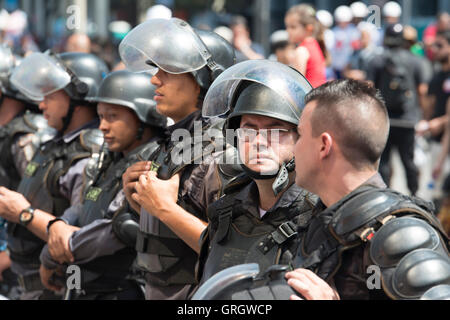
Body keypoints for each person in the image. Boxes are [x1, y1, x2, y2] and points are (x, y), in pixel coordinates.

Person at [201, 80, 450, 300]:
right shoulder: (323, 222)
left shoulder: (401, 234)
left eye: (299, 135)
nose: (294, 148)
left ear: (323, 146)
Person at [118, 17, 237, 300]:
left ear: (204, 80)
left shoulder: (223, 150)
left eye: (169, 70)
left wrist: (162, 207)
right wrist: (138, 201)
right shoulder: (175, 139)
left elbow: (231, 252)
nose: (154, 78)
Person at [38, 70, 167, 300]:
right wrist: (60, 224)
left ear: (144, 117)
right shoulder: (111, 157)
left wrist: (57, 249)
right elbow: (85, 203)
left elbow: (117, 229)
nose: (103, 126)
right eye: (101, 116)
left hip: (123, 289)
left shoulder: (152, 163)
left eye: (113, 116)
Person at [195, 60, 317, 288]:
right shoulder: (224, 212)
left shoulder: (320, 217)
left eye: (276, 130)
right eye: (249, 129)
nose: (259, 141)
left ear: (301, 139)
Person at [0, 51, 108, 300]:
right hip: (27, 283)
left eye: (50, 95)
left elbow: (79, 233)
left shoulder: (89, 154)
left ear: (76, 98)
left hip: (58, 287)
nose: (41, 104)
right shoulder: (55, 144)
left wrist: (23, 214)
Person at [368, 24, 428, 196]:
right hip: (407, 119)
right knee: (408, 160)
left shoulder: (377, 60)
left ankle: (385, 196)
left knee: (384, 161)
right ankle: (414, 195)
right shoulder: (415, 61)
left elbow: (370, 88)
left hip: (384, 119)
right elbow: (422, 91)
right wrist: (422, 115)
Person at [285, 4, 327, 88]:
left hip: (309, 99)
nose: (288, 31)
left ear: (309, 28)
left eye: (293, 27)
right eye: (287, 27)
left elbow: (297, 87)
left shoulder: (301, 51)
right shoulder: (315, 44)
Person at [330, 5, 360, 79]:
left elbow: (355, 50)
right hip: (336, 67)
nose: (342, 23)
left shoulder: (353, 31)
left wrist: (348, 64)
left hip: (349, 67)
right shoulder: (334, 31)